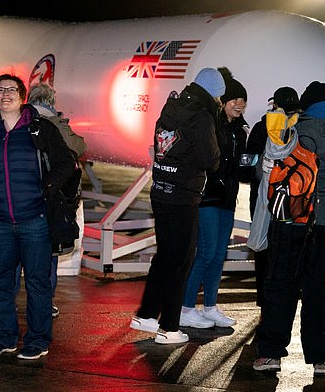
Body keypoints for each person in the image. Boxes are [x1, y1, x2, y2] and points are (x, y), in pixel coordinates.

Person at [0, 74, 76, 360]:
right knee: (0, 282)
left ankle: (38, 340)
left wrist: (46, 188)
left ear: (22, 96)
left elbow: (67, 163)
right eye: (0, 90)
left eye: (12, 90)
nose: (6, 94)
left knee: (37, 283)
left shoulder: (40, 130)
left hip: (34, 221)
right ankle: (5, 337)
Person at [129, 67, 222, 344]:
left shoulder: (172, 106)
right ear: (214, 94)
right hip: (183, 196)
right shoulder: (202, 117)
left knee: (164, 256)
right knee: (181, 261)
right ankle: (169, 328)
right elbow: (210, 159)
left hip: (160, 191)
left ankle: (145, 315)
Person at [253, 81, 325, 375]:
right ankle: (321, 358)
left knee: (281, 287)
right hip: (324, 225)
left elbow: (267, 171)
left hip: (291, 221)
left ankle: (270, 354)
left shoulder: (293, 130)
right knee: (319, 290)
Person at [179, 68, 248, 329]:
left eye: (243, 100)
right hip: (208, 197)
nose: (239, 104)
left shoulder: (240, 131)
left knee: (219, 255)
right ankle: (186, 308)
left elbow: (240, 165)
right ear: (222, 101)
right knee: (205, 253)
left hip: (228, 197)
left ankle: (209, 306)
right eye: (234, 98)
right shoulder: (210, 124)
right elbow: (209, 161)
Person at [13, 82, 87, 319]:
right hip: (50, 198)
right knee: (48, 255)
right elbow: (79, 147)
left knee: (15, 256)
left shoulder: (16, 119)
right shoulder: (54, 123)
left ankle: (9, 301)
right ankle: (45, 303)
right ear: (50, 101)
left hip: (18, 195)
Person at [245, 87, 302, 310]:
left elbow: (246, 164)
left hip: (263, 200)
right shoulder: (300, 128)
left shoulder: (261, 128)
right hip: (292, 202)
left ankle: (264, 302)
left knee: (264, 251)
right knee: (287, 251)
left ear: (274, 105)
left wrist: (260, 173)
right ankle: (283, 302)